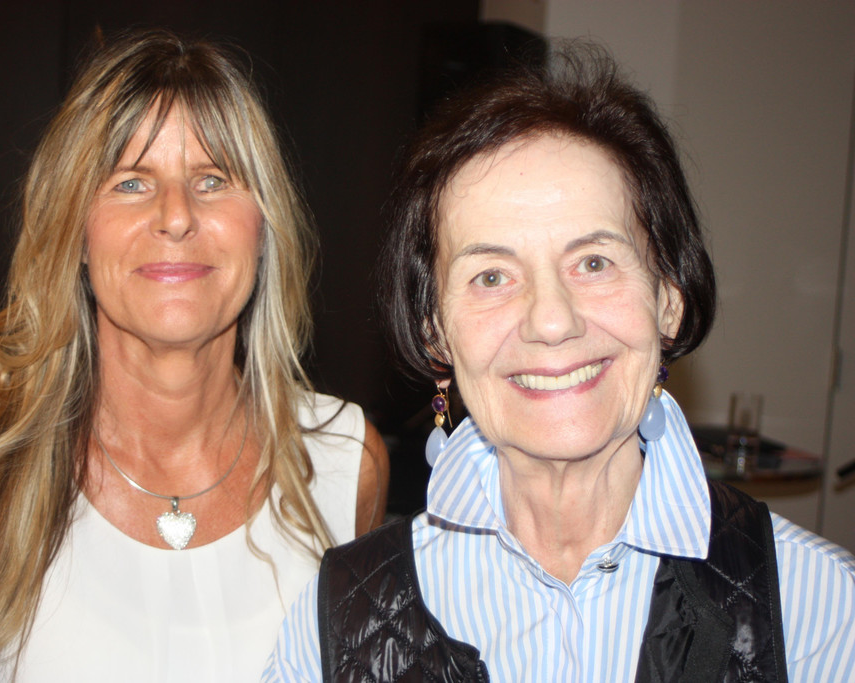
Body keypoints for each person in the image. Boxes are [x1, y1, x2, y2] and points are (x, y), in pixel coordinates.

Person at [263, 47, 855, 681]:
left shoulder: (820, 611)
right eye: (492, 276)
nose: (550, 320)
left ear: (668, 299)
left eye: (594, 263)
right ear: (435, 331)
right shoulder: (333, 622)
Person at [0, 28, 388, 681]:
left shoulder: (347, 462)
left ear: (263, 228)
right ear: (75, 230)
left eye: (212, 179)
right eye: (131, 182)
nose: (176, 215)